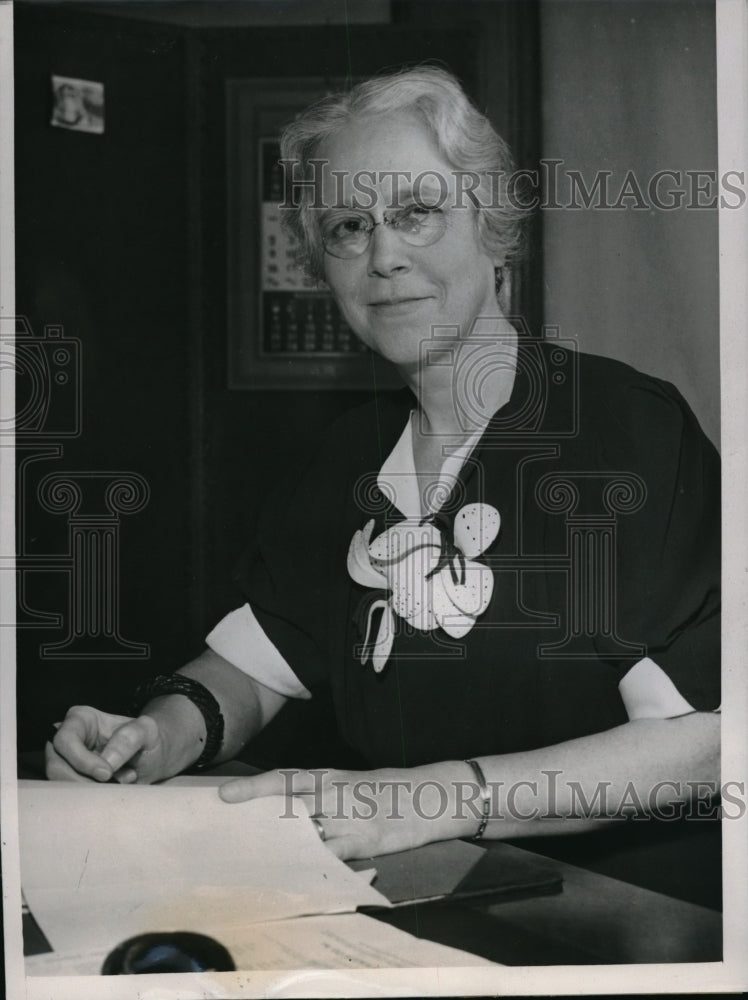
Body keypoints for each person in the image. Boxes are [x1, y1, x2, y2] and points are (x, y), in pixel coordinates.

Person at [46, 67, 720, 864]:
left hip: (623, 919)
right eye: (348, 227)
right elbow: (254, 669)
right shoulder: (343, 457)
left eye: (417, 213)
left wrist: (424, 798)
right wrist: (153, 737)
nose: (384, 256)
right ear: (321, 262)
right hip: (410, 899)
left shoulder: (624, 430)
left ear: (492, 226)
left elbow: (705, 746)